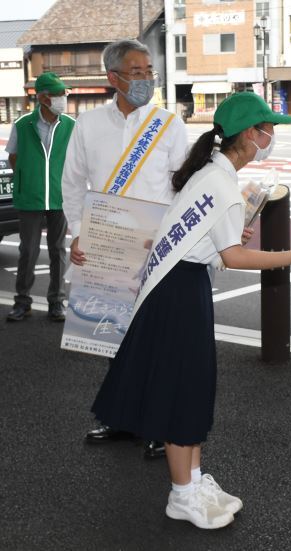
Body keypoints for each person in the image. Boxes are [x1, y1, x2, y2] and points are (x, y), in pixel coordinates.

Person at [90, 91, 291, 529]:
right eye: (268, 129)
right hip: (180, 294)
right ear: (250, 135)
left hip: (180, 288)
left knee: (193, 387)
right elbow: (234, 258)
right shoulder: (222, 185)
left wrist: (231, 233)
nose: (272, 136)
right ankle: (182, 494)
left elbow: (215, 248)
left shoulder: (211, 175)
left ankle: (194, 480)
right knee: (184, 389)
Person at [61, 39, 188, 459]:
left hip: (156, 248)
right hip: (108, 246)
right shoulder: (88, 125)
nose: (146, 80)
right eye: (137, 72)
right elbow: (73, 183)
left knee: (155, 338)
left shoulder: (168, 124)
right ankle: (121, 419)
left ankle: (157, 424)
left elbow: (183, 185)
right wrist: (80, 231)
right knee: (112, 336)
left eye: (150, 71)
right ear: (112, 77)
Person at [5, 72, 75, 322]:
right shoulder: (23, 125)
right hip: (31, 198)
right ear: (43, 98)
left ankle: (56, 301)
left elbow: (77, 162)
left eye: (63, 94)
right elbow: (13, 157)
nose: (62, 99)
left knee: (58, 250)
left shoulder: (70, 125)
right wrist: (29, 178)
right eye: (58, 94)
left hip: (59, 197)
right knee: (29, 250)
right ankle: (22, 302)